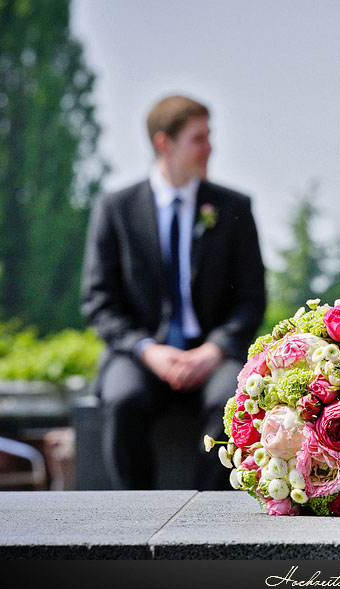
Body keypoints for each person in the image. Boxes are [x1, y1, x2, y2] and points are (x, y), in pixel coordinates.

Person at [81, 94, 266, 490]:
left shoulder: (234, 207)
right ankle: (136, 516)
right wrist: (148, 350)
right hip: (140, 353)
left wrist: (214, 349)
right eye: (198, 138)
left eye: (209, 136)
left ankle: (204, 517)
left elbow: (251, 298)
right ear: (163, 143)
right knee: (122, 399)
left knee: (235, 401)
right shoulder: (115, 208)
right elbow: (98, 301)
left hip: (212, 356)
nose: (209, 147)